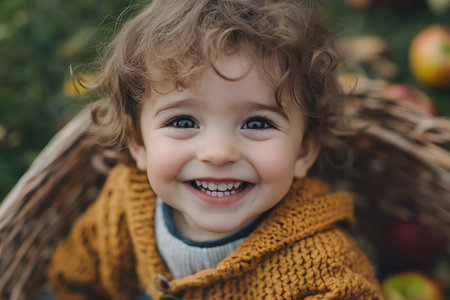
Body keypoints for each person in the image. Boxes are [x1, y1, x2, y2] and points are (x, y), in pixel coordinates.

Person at [46, 0, 383, 299]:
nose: (219, 152)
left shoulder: (324, 272)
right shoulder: (124, 203)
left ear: (303, 151)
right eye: (182, 122)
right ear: (138, 142)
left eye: (256, 124)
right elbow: (76, 275)